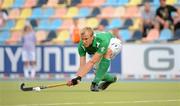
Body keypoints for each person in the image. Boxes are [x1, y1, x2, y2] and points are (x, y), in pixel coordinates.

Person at [67, 27, 122, 92]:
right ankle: (112, 79)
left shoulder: (102, 41)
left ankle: (95, 83)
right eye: (82, 39)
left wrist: (80, 77)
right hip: (100, 51)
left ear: (92, 37)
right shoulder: (81, 45)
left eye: (86, 39)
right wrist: (75, 79)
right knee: (98, 74)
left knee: (107, 52)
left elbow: (92, 61)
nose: (84, 41)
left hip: (113, 43)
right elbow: (82, 66)